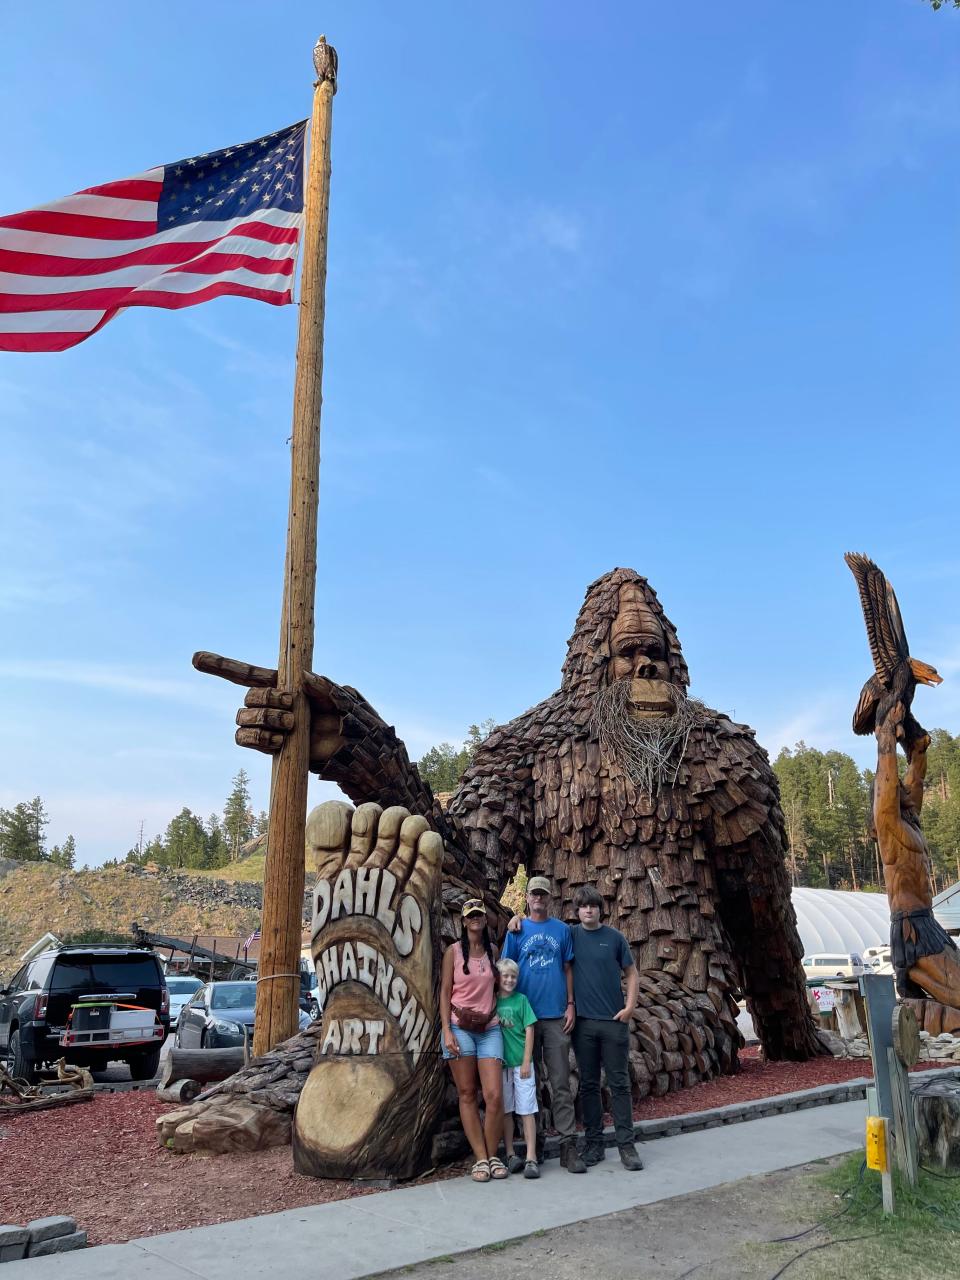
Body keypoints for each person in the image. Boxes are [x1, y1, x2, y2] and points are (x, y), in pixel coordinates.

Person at [503, 876, 586, 1174]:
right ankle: (533, 1145)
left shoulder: (562, 931)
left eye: (543, 894)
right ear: (527, 897)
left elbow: (567, 969)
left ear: (549, 898)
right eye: (534, 894)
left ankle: (567, 1145)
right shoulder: (516, 930)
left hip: (554, 1016)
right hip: (524, 1020)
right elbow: (506, 972)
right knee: (529, 1083)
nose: (538, 898)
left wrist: (571, 1004)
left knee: (561, 1081)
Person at [571, 884, 643, 1170]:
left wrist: (629, 1007)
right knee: (588, 1085)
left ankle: (627, 1146)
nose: (588, 910)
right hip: (584, 1025)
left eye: (593, 905)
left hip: (614, 1023)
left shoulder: (614, 938)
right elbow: (541, 928)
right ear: (577, 911)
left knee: (620, 1084)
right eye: (583, 906)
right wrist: (517, 919)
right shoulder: (571, 935)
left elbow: (632, 974)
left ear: (600, 909)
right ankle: (594, 1144)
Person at [440, 899, 507, 1182]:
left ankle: (492, 1155)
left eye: (480, 914)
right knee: (467, 1093)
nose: (476, 919)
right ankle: (480, 1158)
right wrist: (446, 1029)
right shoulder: (453, 952)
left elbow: (502, 988)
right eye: (471, 916)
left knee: (494, 1095)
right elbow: (444, 992)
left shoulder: (493, 951)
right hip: (460, 1027)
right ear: (464, 922)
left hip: (489, 1027)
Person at [495, 958, 540, 1180]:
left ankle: (531, 1156)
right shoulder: (493, 1002)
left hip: (522, 1064)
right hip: (501, 1065)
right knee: (506, 1110)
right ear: (498, 978)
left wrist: (525, 1061)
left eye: (513, 976)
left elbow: (529, 1030)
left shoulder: (521, 1001)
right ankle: (511, 1153)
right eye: (505, 976)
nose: (510, 980)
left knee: (526, 1108)